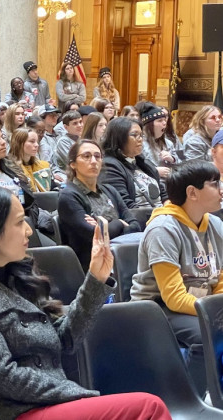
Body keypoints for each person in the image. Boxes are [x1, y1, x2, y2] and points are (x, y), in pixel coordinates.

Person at [0, 183, 171, 420]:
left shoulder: (16, 277)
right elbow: (3, 376)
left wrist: (96, 279)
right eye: (20, 222)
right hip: (15, 411)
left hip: (50, 402)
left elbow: (65, 340)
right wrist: (75, 393)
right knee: (148, 407)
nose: (29, 231)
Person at [130, 160, 223, 397]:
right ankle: (187, 401)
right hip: (155, 307)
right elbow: (173, 297)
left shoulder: (215, 224)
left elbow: (220, 279)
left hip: (201, 303)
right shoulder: (163, 229)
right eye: (214, 184)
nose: (221, 189)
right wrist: (216, 312)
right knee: (206, 335)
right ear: (192, 192)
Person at [58, 140, 142, 270]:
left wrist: (104, 226)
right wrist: (120, 223)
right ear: (73, 164)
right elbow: (94, 236)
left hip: (122, 257)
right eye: (86, 156)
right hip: (94, 266)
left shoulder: (110, 190)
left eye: (97, 156)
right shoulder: (68, 196)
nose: (93, 161)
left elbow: (135, 224)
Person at [100, 117, 167, 210]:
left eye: (141, 135)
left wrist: (169, 209)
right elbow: (125, 205)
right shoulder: (110, 166)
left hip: (161, 215)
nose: (140, 139)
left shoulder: (143, 162)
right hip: (141, 219)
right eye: (134, 135)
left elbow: (163, 193)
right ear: (119, 138)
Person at [10, 128, 54, 192]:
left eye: (37, 141)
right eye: (32, 141)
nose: (36, 145)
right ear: (19, 144)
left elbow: (53, 187)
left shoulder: (43, 165)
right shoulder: (10, 168)